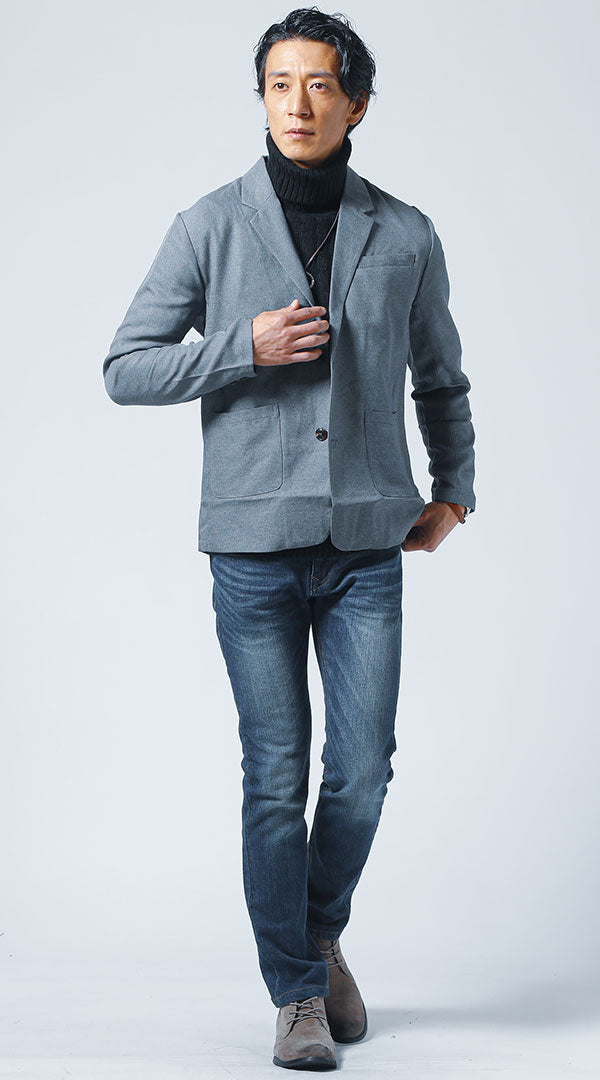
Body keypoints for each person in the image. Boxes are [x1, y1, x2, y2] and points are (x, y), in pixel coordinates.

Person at [102, 7, 476, 1071]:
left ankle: (313, 937)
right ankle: (299, 995)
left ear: (357, 103)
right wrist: (242, 346)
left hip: (365, 546)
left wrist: (455, 490)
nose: (298, 104)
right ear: (261, 98)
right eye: (279, 85)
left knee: (362, 770)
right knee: (274, 776)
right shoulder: (208, 225)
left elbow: (441, 376)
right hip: (252, 549)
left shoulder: (405, 233)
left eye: (319, 85)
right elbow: (125, 366)